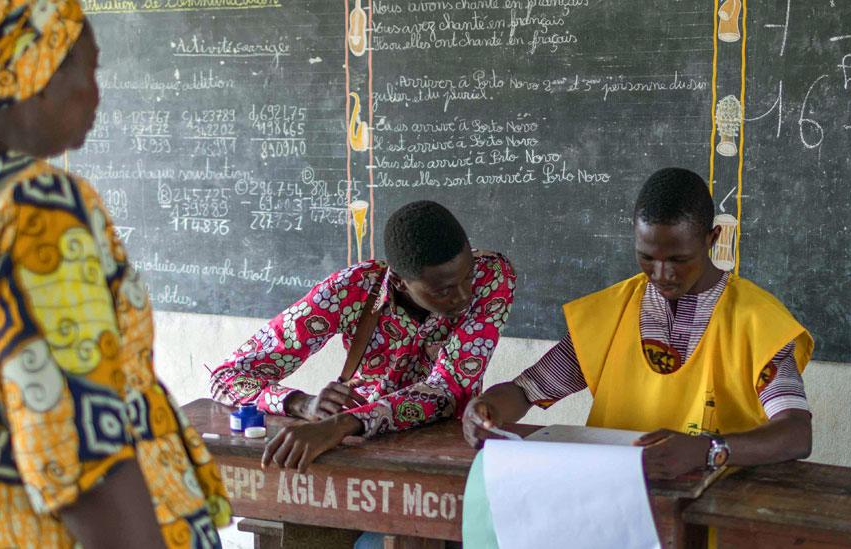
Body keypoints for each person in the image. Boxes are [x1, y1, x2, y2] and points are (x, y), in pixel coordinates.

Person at [0, 3, 228, 547]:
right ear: (33, 72)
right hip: (26, 529)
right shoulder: (33, 202)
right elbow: (78, 448)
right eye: (88, 69)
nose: (95, 94)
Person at [463, 167, 813, 479]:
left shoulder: (756, 321)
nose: (662, 274)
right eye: (647, 257)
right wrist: (487, 409)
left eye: (678, 259)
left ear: (712, 239)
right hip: (617, 501)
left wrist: (707, 450)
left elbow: (796, 433)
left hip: (714, 509)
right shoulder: (612, 313)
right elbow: (527, 390)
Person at [209, 200, 516, 470]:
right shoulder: (350, 289)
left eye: (467, 276)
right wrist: (301, 403)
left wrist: (344, 423)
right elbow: (228, 376)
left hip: (449, 451)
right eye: (444, 290)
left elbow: (449, 391)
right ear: (398, 282)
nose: (463, 296)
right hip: (359, 451)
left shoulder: (491, 277)